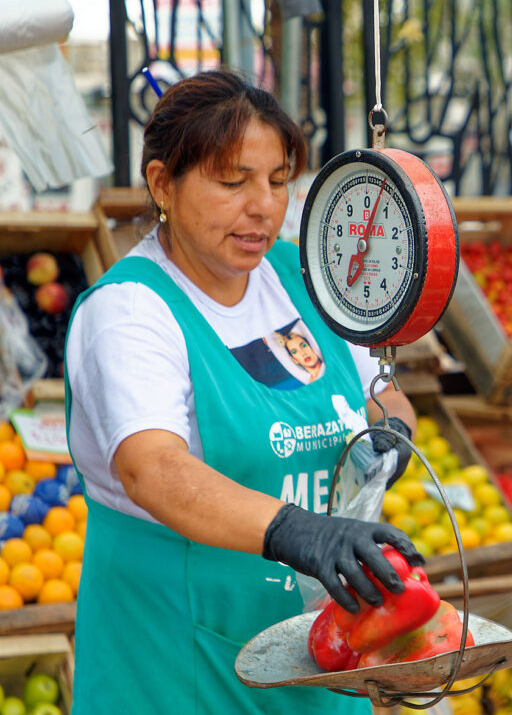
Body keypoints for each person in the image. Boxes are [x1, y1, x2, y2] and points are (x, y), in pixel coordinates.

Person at [64, 69, 420, 713]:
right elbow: (154, 469)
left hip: (321, 661)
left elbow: (382, 393)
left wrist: (390, 434)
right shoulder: (130, 311)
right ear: (161, 183)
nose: (264, 206)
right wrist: (298, 531)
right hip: (178, 668)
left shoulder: (304, 278)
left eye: (278, 181)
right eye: (233, 182)